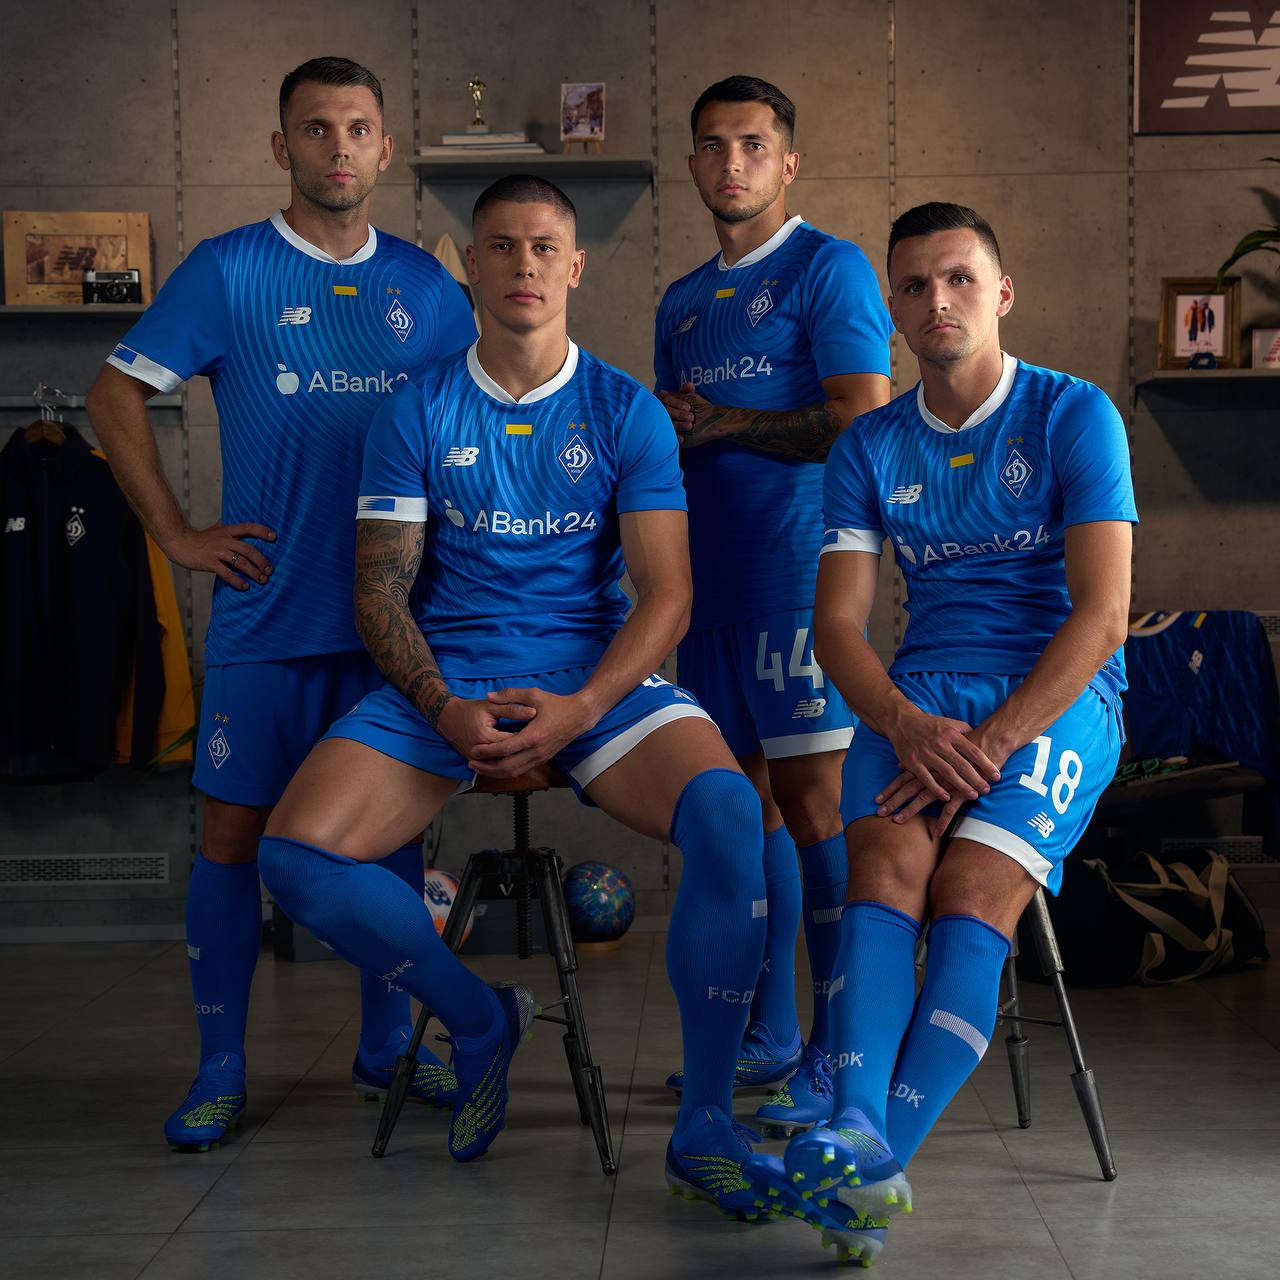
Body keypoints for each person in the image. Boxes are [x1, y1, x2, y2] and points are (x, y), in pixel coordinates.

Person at [257, 175, 801, 1212]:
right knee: (294, 855)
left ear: (575, 265)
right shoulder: (417, 409)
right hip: (451, 675)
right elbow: (378, 593)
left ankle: (704, 1126)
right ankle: (479, 1019)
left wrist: (583, 708)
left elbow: (668, 595)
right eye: (501, 246)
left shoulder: (623, 411)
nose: (523, 265)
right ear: (470, 265)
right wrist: (443, 708)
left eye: (544, 246)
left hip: (594, 678)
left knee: (733, 813)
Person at [85, 56, 477, 1152]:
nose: (337, 148)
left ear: (384, 149)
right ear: (281, 147)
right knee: (233, 834)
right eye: (315, 129)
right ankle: (220, 1065)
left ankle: (383, 1047)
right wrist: (176, 533)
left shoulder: (427, 286)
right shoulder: (229, 269)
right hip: (266, 616)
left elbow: (477, 421)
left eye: (356, 128)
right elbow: (113, 395)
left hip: (392, 626)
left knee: (386, 843)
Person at [758, 202, 1136, 1265]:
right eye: (916, 285)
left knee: (969, 892)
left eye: (960, 277)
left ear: (1001, 292)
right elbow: (837, 627)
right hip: (918, 699)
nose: (939, 299)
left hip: (1056, 697)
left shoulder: (1073, 413)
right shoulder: (869, 445)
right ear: (892, 309)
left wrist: (995, 741)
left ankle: (870, 1159)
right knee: (880, 875)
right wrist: (906, 722)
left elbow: (1102, 615)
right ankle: (855, 1133)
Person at [654, 75, 892, 1136]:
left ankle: (840, 1056)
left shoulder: (826, 266)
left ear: (788, 161)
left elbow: (861, 418)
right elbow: (677, 435)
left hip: (797, 579)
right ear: (693, 165)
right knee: (740, 814)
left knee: (812, 807)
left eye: (753, 144)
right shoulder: (680, 300)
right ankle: (773, 1033)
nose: (732, 163)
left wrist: (724, 423)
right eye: (713, 146)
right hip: (706, 590)